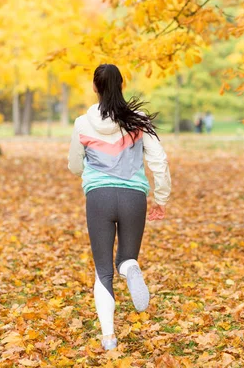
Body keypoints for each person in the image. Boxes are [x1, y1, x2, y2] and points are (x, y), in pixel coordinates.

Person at [68, 64, 171, 351]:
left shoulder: (82, 124)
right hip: (133, 198)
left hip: (99, 197)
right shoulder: (138, 120)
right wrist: (161, 198)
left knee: (102, 270)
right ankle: (130, 267)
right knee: (125, 258)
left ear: (94, 87)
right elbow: (159, 162)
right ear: (122, 84)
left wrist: (90, 170)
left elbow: (75, 165)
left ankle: (109, 338)